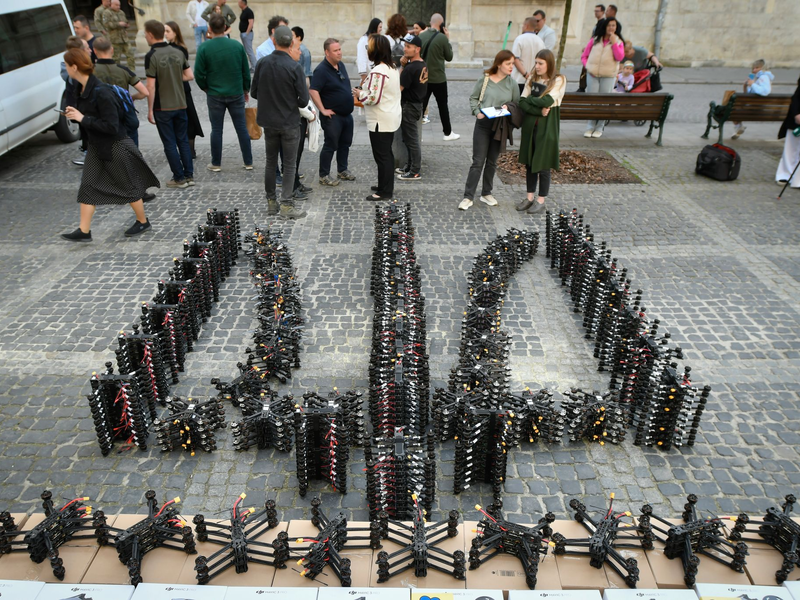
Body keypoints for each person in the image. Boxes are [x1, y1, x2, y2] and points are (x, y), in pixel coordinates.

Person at [59, 48, 158, 242]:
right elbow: (92, 116)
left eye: (66, 65)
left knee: (128, 186)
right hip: (97, 147)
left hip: (115, 146)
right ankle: (84, 231)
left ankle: (143, 221)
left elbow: (112, 126)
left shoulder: (101, 91)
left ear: (74, 67)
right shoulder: (83, 89)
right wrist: (75, 113)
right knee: (87, 186)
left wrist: (82, 118)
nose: (64, 69)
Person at [251, 26, 309, 219]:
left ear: (274, 41)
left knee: (270, 162)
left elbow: (254, 92)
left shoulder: (262, 63)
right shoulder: (294, 67)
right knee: (289, 164)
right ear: (291, 43)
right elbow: (303, 100)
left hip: (269, 122)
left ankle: (271, 202)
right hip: (289, 122)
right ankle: (286, 205)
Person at [459, 49, 519, 211]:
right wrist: (477, 113)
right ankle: (468, 196)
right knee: (478, 161)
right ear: (499, 64)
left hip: (501, 126)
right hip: (484, 124)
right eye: (508, 64)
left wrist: (510, 107)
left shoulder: (512, 83)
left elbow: (517, 104)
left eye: (513, 64)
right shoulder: (485, 79)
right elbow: (473, 98)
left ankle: (486, 193)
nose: (511, 67)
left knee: (492, 162)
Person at [195, 14, 253, 172]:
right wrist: (245, 89)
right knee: (241, 127)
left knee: (216, 129)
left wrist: (206, 88)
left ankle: (216, 163)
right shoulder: (237, 46)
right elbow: (245, 72)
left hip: (215, 94)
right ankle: (248, 161)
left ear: (210, 29)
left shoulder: (204, 48)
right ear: (225, 28)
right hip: (236, 92)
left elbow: (198, 74)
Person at [144, 20, 195, 188]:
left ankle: (179, 178)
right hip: (181, 104)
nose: (145, 36)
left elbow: (150, 86)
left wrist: (149, 109)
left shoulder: (151, 56)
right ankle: (189, 175)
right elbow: (189, 76)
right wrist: (173, 76)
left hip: (162, 106)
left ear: (150, 35)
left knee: (169, 143)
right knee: (182, 140)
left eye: (145, 34)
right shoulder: (178, 51)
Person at [517, 49, 566, 215]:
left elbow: (548, 100)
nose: (536, 66)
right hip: (532, 123)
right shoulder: (532, 78)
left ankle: (540, 200)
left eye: (540, 63)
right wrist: (538, 110)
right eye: (536, 62)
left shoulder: (558, 80)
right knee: (530, 162)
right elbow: (522, 102)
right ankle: (529, 198)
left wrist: (531, 101)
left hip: (548, 125)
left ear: (549, 64)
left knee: (543, 164)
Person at [356, 35, 401, 201]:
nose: (367, 50)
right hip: (388, 117)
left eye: (369, 47)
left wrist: (359, 93)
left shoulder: (379, 72)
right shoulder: (391, 68)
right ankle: (384, 185)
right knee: (385, 155)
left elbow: (373, 98)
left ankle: (385, 191)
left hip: (380, 120)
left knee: (382, 156)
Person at [309, 38, 356, 187]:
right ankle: (324, 175)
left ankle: (342, 169)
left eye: (340, 49)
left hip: (346, 115)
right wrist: (322, 109)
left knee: (345, 144)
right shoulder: (321, 70)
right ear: (327, 52)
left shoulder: (340, 65)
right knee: (331, 144)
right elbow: (313, 90)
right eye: (335, 50)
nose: (339, 53)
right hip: (332, 116)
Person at [92, 37, 148, 146]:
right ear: (112, 50)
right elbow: (144, 92)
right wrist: (133, 97)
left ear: (94, 51)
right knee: (131, 152)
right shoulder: (123, 70)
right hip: (124, 117)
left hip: (102, 118)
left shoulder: (91, 71)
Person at [165, 21, 205, 159]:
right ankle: (185, 150)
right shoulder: (167, 47)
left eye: (168, 31)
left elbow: (182, 71)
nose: (165, 33)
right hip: (173, 89)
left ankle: (190, 150)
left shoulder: (180, 49)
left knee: (188, 119)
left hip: (182, 89)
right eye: (164, 31)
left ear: (175, 32)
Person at [580, 17, 624, 138]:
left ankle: (599, 127)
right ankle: (590, 127)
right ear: (604, 27)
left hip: (608, 76)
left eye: (613, 25)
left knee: (604, 102)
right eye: (609, 25)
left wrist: (614, 42)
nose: (611, 28)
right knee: (593, 102)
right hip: (593, 75)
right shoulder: (595, 40)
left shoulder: (619, 42)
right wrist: (588, 67)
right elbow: (584, 56)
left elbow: (619, 57)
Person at [420, 13, 459, 141]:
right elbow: (449, 57)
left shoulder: (421, 36)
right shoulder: (442, 38)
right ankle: (447, 133)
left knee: (421, 106)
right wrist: (447, 39)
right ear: (441, 24)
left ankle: (416, 134)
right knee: (443, 106)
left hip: (424, 78)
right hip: (439, 79)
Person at [397, 35, 427, 181]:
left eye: (408, 47)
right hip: (417, 105)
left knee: (411, 139)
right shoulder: (422, 64)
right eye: (405, 46)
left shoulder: (410, 68)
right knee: (409, 138)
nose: (405, 49)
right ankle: (409, 166)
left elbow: (398, 88)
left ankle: (415, 170)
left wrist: (402, 66)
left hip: (409, 106)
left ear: (417, 49)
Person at [731, 59, 774, 140]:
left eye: (757, 68)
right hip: (754, 107)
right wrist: (746, 86)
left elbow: (765, 91)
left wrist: (753, 84)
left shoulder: (764, 77)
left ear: (762, 68)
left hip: (756, 109)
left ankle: (738, 126)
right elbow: (748, 94)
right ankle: (738, 127)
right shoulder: (758, 78)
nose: (754, 70)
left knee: (731, 108)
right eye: (753, 68)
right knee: (734, 106)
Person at [776, 76, 800, 189]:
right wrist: (797, 114)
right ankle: (785, 174)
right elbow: (796, 99)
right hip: (796, 120)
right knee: (791, 148)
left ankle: (797, 179)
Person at [511, 17, 545, 94]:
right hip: (534, 80)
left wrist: (526, 74)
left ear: (526, 26)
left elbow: (515, 59)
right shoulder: (540, 41)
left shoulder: (519, 39)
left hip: (519, 79)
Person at [102, 0, 135, 71]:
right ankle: (116, 72)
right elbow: (106, 24)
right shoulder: (107, 13)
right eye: (116, 5)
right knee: (116, 58)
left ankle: (132, 71)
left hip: (124, 38)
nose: (118, 7)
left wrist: (126, 25)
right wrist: (118, 24)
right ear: (111, 4)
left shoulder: (121, 12)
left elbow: (125, 21)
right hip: (115, 39)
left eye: (119, 5)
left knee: (130, 55)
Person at [357, 18, 384, 83]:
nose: (381, 29)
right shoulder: (363, 40)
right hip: (368, 75)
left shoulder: (379, 40)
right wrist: (363, 76)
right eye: (380, 27)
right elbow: (361, 57)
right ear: (375, 27)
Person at [237, 0, 256, 72]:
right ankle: (252, 66)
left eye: (239, 2)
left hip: (247, 34)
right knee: (247, 51)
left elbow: (251, 23)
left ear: (243, 3)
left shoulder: (249, 11)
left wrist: (247, 33)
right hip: (243, 33)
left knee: (249, 51)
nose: (238, 4)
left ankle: (254, 67)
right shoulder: (243, 11)